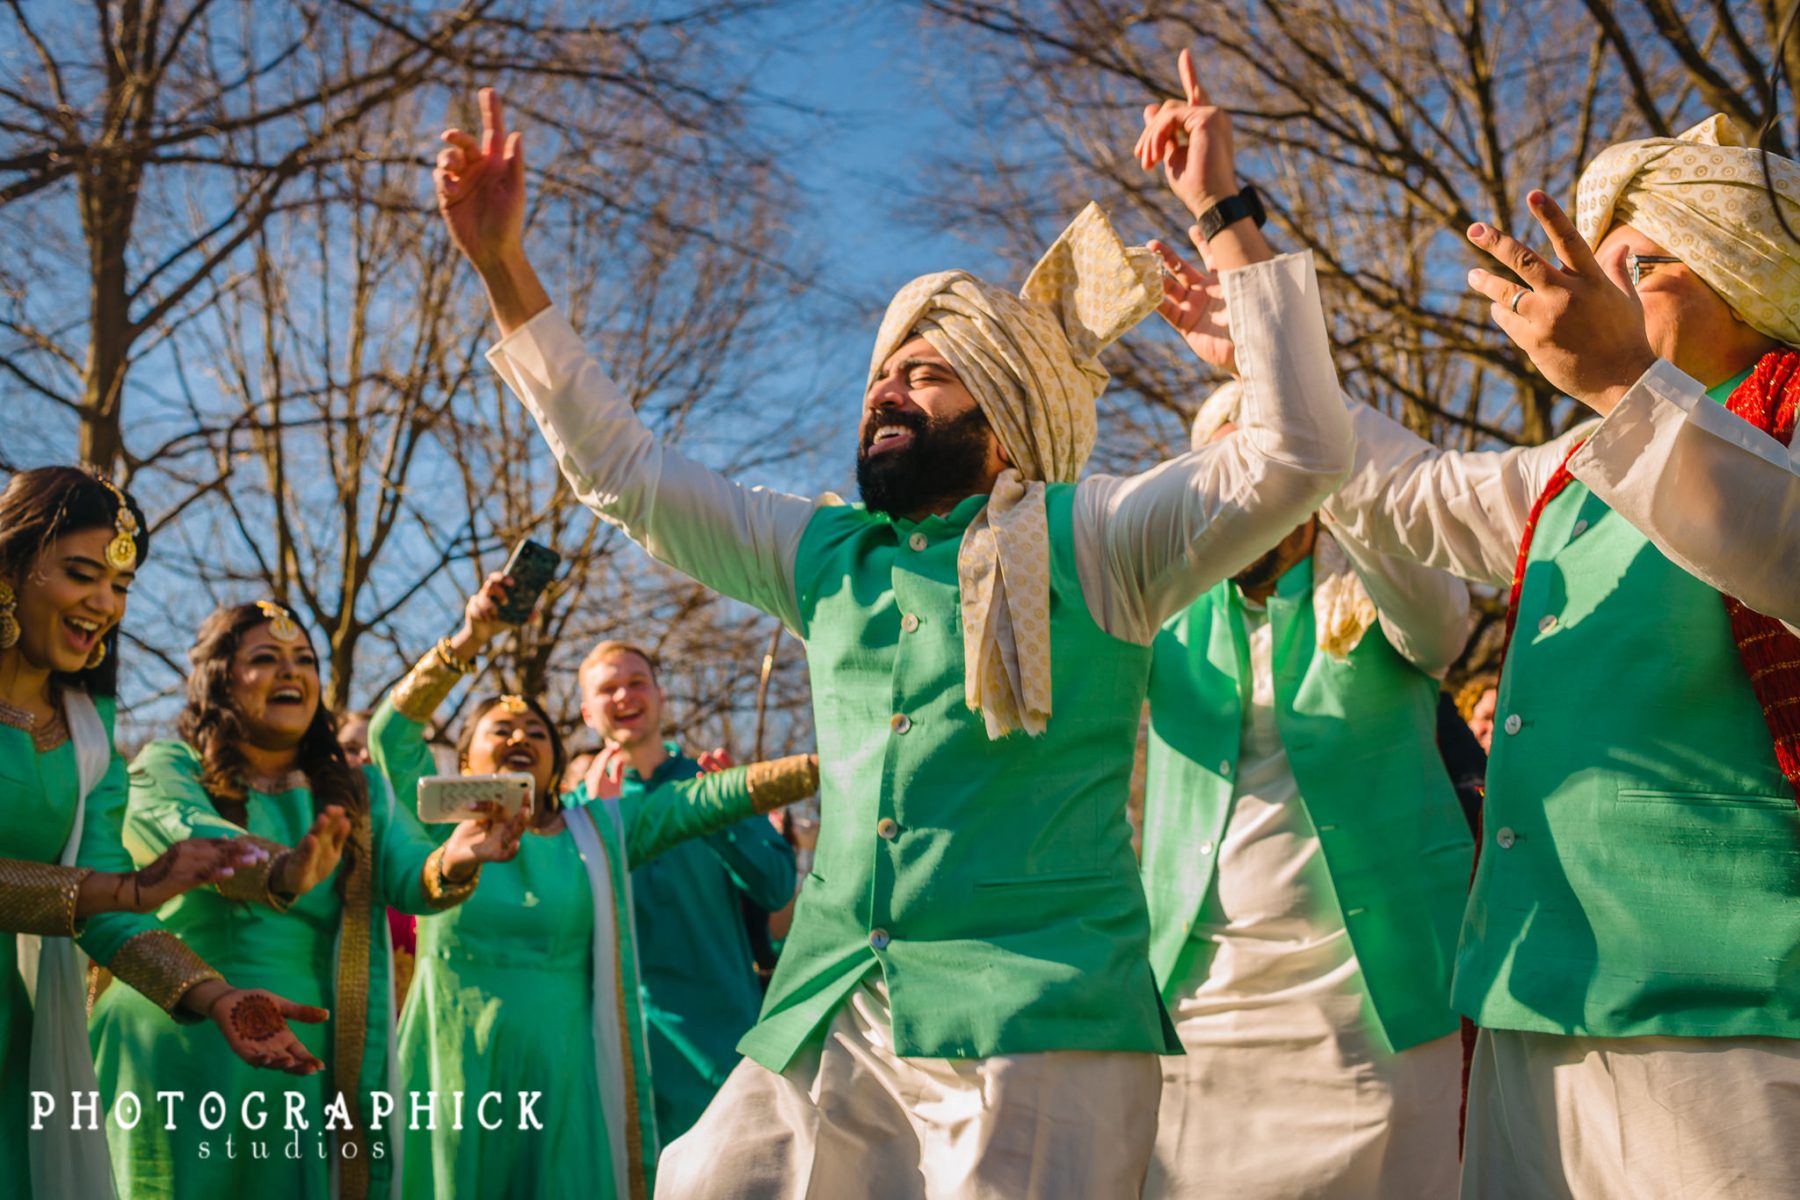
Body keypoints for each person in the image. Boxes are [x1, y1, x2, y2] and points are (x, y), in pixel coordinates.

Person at [433, 44, 1352, 1194]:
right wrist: (506, 271)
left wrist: (1223, 210)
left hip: (1040, 1021)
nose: (886, 388)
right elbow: (626, 473)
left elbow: (1302, 450)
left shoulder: (1102, 538)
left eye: (925, 374)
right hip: (832, 1012)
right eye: (882, 373)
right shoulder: (826, 555)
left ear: (1006, 420)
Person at [1317, 115, 1800, 1197]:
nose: (1602, 293)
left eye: (1636, 264)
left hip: (1734, 1024)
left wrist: (1631, 389)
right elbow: (1401, 490)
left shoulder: (1785, 413)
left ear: (1735, 268)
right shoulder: (1576, 467)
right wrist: (1241, 263)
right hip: (1527, 1004)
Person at [1132, 371, 1474, 1197]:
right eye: (1222, 470)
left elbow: (1444, 622)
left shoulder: (1384, 586)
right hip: (1197, 1006)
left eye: (1267, 461)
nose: (1246, 490)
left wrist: (1311, 420)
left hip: (1377, 1007)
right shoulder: (1157, 607)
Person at [369, 574, 820, 1199]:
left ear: (558, 756)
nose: (521, 736)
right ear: (465, 761)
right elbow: (388, 738)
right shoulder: (437, 820)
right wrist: (471, 638)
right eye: (500, 729)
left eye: (535, 732)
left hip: (584, 1076)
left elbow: (704, 807)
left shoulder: (597, 830)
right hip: (454, 1071)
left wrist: (822, 767)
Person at [91, 598, 527, 1200]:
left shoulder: (360, 789)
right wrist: (281, 870)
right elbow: (174, 824)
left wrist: (458, 855)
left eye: (303, 660)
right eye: (265, 658)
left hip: (304, 1057)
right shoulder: (174, 764)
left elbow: (412, 875)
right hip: (179, 1038)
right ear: (219, 681)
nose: (291, 672)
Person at [0, 468, 328, 1197]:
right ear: (11, 567)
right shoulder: (158, 762)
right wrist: (122, 888)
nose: (104, 604)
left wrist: (215, 998)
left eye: (120, 586)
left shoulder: (86, 732)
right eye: (83, 575)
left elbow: (108, 912)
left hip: (12, 1036)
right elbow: (108, 890)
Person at [577, 638, 796, 1144]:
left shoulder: (713, 784)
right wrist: (593, 826)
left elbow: (777, 885)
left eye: (636, 682)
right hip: (616, 1054)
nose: (624, 696)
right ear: (588, 712)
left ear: (660, 696)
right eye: (607, 689)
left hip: (723, 1046)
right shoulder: (574, 808)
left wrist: (723, 812)